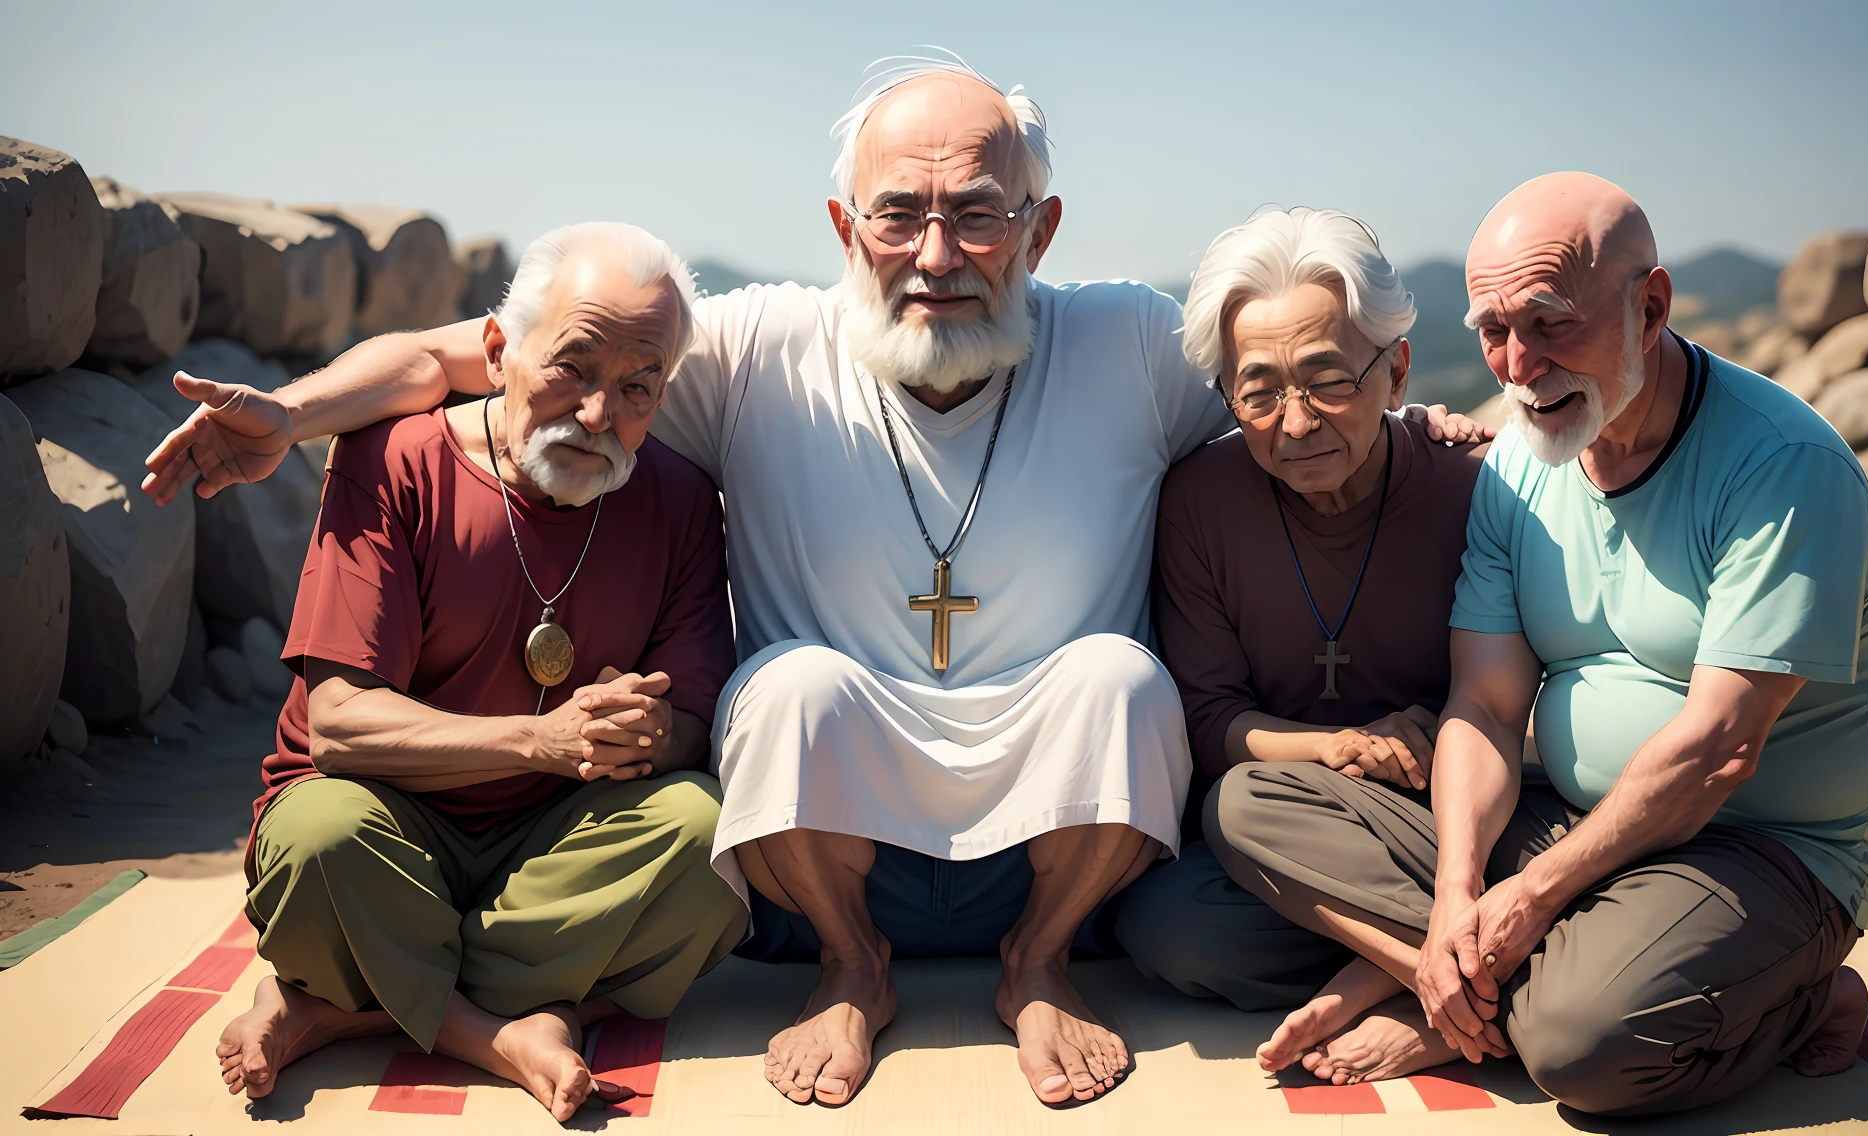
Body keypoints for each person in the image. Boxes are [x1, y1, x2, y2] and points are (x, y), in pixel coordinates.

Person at [140, 55, 1486, 1109]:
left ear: (1044, 228)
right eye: (900, 213)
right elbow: (480, 356)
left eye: (980, 213)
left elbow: (1298, 392)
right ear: (846, 224)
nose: (939, 252)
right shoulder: (756, 347)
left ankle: (1040, 965)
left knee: (1117, 677)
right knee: (786, 685)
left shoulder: (1129, 343)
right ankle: (857, 969)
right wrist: (293, 410)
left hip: (1063, 835)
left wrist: (1438, 426)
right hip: (821, 847)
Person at [1201, 173, 1868, 1115]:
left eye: (1551, 324)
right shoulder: (1518, 465)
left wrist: (1528, 899)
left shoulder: (1781, 469)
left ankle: (1799, 992)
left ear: (1649, 305)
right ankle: (1456, 983)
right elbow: (1486, 708)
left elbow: (1719, 749)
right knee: (1252, 801)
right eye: (1492, 330)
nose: (1517, 364)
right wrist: (1459, 892)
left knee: (1582, 1050)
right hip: (1572, 824)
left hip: (1763, 849)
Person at [205, 223, 747, 1123]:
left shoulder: (682, 502)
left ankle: (340, 1006)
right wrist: (544, 739)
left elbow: (690, 723)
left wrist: (643, 730)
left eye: (637, 388)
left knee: (712, 840)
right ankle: (508, 1027)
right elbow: (338, 725)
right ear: (497, 352)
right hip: (387, 823)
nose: (598, 415)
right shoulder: (393, 460)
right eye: (572, 369)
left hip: (550, 848)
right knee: (320, 843)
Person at [1116, 207, 1490, 1086]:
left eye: (1328, 381)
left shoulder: (1474, 489)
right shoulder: (1200, 501)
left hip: (1446, 825)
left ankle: (1425, 984)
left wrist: (1423, 748)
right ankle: (1452, 979)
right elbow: (1208, 721)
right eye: (1259, 391)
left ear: (1396, 368)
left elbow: (1524, 693)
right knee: (1170, 923)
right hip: (1283, 834)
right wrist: (1336, 749)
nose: (1294, 421)